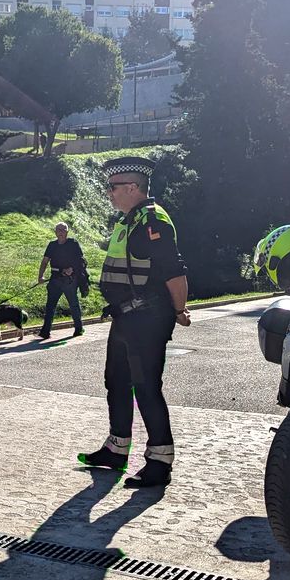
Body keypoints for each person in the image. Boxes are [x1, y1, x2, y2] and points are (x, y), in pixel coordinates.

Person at [78, 157, 190, 488]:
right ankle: (116, 449)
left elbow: (174, 270)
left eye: (112, 188)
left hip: (147, 316)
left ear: (132, 188)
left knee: (145, 387)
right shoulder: (130, 220)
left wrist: (179, 309)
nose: (108, 193)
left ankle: (159, 461)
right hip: (126, 315)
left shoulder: (151, 221)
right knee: (116, 381)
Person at [37, 221, 86, 338]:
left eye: (63, 230)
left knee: (73, 304)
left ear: (67, 232)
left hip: (69, 280)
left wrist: (72, 269)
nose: (60, 232)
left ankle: (79, 329)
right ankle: (45, 332)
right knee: (50, 306)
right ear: (55, 232)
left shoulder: (73, 244)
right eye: (58, 230)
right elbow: (45, 261)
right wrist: (40, 276)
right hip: (54, 280)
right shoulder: (52, 245)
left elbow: (81, 261)